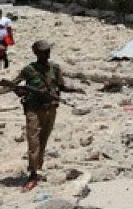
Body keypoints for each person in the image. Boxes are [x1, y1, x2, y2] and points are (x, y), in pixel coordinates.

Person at [0, 40, 83, 191]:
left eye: (48, 51)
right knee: (33, 141)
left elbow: (62, 86)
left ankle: (37, 168)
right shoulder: (29, 70)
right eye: (43, 52)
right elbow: (13, 84)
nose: (47, 54)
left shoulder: (55, 68)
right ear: (36, 53)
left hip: (50, 109)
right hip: (33, 109)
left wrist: (76, 90)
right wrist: (18, 90)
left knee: (43, 140)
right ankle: (32, 174)